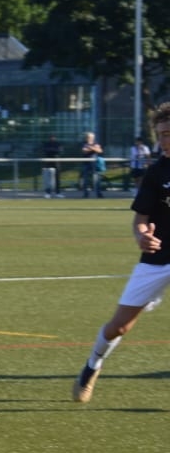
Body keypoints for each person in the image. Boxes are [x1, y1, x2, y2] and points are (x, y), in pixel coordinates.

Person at [73, 105, 170, 403]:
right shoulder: (156, 173)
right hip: (157, 258)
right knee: (119, 327)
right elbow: (140, 218)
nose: (164, 141)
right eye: (161, 135)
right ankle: (93, 365)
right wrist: (142, 236)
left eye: (169, 134)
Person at [80, 131, 105, 198]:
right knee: (85, 180)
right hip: (86, 164)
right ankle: (86, 194)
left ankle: (98, 194)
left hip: (95, 164)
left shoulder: (96, 143)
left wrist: (91, 148)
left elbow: (100, 151)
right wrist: (94, 148)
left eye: (91, 137)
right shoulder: (84, 143)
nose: (90, 138)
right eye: (89, 137)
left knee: (96, 180)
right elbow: (84, 151)